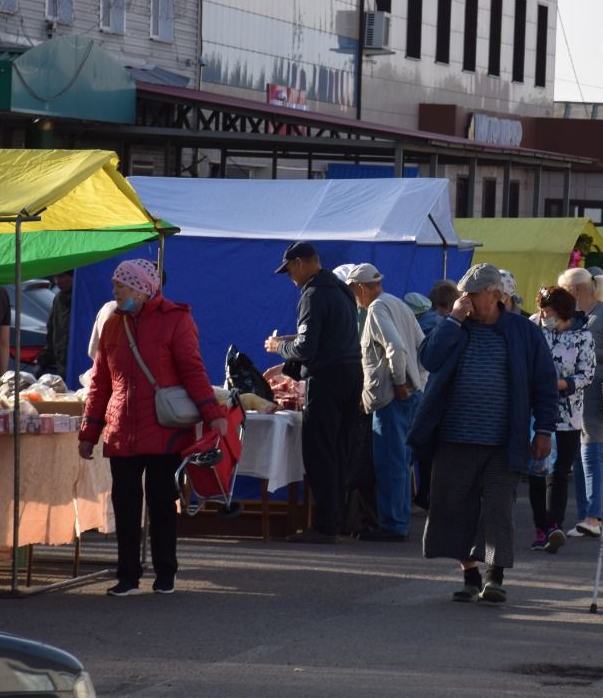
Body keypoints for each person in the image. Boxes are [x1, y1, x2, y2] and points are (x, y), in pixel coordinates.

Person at [409, 263, 557, 604]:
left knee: (497, 508)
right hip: (454, 438)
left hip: (504, 441)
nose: (466, 300)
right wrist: (454, 320)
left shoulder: (523, 332)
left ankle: (495, 576)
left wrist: (545, 429)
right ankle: (470, 574)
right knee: (454, 508)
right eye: (463, 294)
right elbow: (429, 359)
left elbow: (544, 383)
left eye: (473, 295)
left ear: (495, 295)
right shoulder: (455, 327)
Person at [79, 259, 228, 595]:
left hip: (165, 429)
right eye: (115, 285)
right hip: (121, 430)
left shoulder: (176, 320)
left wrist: (212, 412)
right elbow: (100, 383)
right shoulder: (112, 324)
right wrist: (89, 432)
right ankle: (127, 576)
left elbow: (193, 370)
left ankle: (165, 572)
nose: (114, 291)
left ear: (141, 288)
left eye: (120, 285)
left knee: (162, 504)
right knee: (125, 506)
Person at [265, 242, 363, 544]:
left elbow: (307, 347)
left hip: (328, 379)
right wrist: (291, 349)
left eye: (290, 269)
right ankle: (341, 520)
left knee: (320, 452)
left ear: (301, 263)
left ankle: (325, 525)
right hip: (351, 373)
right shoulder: (342, 290)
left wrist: (278, 347)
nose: (290, 277)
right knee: (341, 451)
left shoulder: (313, 294)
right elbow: (328, 334)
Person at [348, 263, 426, 542]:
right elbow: (421, 344)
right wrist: (418, 381)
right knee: (401, 462)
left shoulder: (377, 308)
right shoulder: (398, 303)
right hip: (409, 396)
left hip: (390, 399)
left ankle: (393, 524)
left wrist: (400, 382)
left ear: (360, 288)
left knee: (390, 464)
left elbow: (395, 346)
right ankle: (398, 520)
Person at [558, 267, 603, 539]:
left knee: (592, 453)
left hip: (598, 390)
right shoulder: (581, 315)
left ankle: (593, 516)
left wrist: (586, 352)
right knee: (580, 454)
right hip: (577, 394)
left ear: (576, 290)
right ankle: (585, 517)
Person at [528, 285, 594, 553]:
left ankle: (554, 524)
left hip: (568, 415)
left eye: (550, 310)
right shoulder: (534, 328)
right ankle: (540, 528)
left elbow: (586, 374)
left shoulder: (582, 336)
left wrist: (560, 384)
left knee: (558, 471)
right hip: (536, 412)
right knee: (535, 470)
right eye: (542, 309)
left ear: (563, 311)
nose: (545, 315)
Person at [37, 270, 74, 377]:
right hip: (61, 365)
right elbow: (51, 331)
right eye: (55, 277)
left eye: (61, 276)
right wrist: (43, 361)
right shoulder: (58, 299)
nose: (58, 281)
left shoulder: (81, 298)